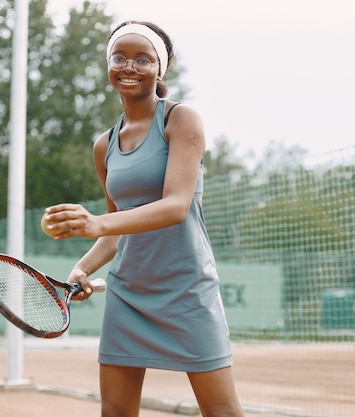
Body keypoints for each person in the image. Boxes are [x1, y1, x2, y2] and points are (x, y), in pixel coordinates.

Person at [42, 20, 245, 417]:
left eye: (142, 59)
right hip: (127, 293)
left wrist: (98, 222)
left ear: (160, 68)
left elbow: (175, 206)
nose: (129, 66)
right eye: (119, 57)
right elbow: (118, 230)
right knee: (115, 411)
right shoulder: (104, 145)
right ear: (108, 66)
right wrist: (81, 269)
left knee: (222, 412)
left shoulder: (181, 120)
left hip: (187, 290)